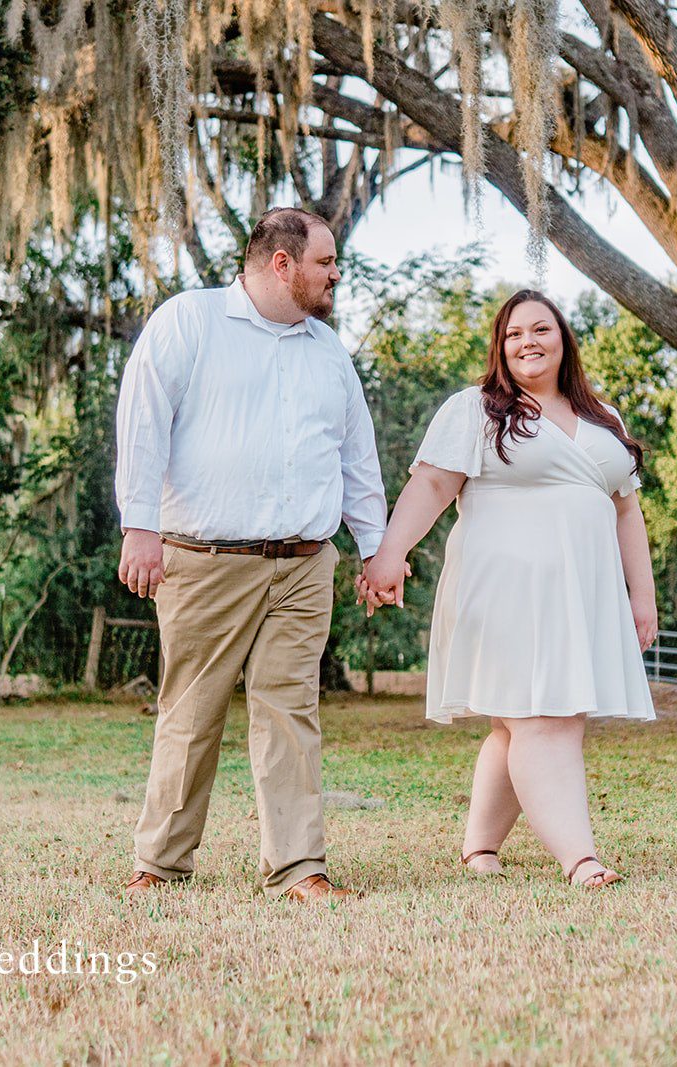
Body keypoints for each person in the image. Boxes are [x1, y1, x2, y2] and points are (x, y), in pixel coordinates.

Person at [114, 207, 386, 903]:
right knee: (192, 710)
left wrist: (375, 548)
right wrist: (138, 526)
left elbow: (357, 457)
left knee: (291, 711)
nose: (334, 274)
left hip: (304, 564)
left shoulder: (328, 351)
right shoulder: (191, 321)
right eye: (325, 262)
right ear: (281, 263)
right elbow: (143, 419)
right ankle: (162, 863)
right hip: (205, 560)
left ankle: (299, 868)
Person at [360, 290, 657, 887]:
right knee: (546, 719)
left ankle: (479, 846)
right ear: (500, 346)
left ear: (563, 339)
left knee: (516, 722)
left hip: (582, 594)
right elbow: (433, 487)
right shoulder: (477, 409)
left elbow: (628, 512)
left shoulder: (604, 418)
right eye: (514, 333)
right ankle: (581, 859)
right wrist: (389, 556)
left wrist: (641, 598)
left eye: (541, 329)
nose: (528, 341)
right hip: (504, 590)